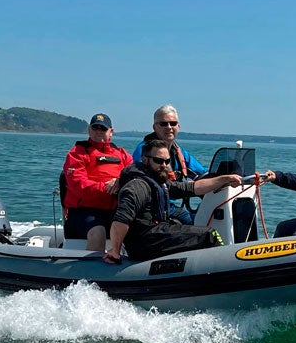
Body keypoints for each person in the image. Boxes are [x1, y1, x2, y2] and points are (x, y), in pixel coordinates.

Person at [104, 139, 243, 264]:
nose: (164, 165)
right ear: (145, 160)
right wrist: (115, 251)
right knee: (209, 235)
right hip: (144, 242)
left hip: (156, 234)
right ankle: (225, 269)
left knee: (192, 228)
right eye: (158, 161)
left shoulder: (158, 181)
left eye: (167, 161)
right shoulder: (138, 186)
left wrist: (225, 179)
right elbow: (120, 220)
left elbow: (193, 187)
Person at [61, 113, 133, 251]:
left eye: (103, 129)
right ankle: (92, 271)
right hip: (83, 212)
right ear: (89, 130)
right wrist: (109, 188)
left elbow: (135, 176)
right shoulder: (76, 153)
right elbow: (79, 186)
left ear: (111, 132)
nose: (99, 131)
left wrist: (120, 182)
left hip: (116, 211)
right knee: (98, 232)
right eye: (95, 128)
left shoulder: (123, 155)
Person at [131, 104, 208, 224]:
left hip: (169, 203)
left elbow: (202, 172)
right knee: (196, 224)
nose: (169, 127)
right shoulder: (144, 150)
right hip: (152, 207)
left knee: (207, 215)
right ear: (154, 127)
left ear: (178, 126)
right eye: (163, 124)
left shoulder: (179, 152)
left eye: (173, 123)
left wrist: (222, 177)